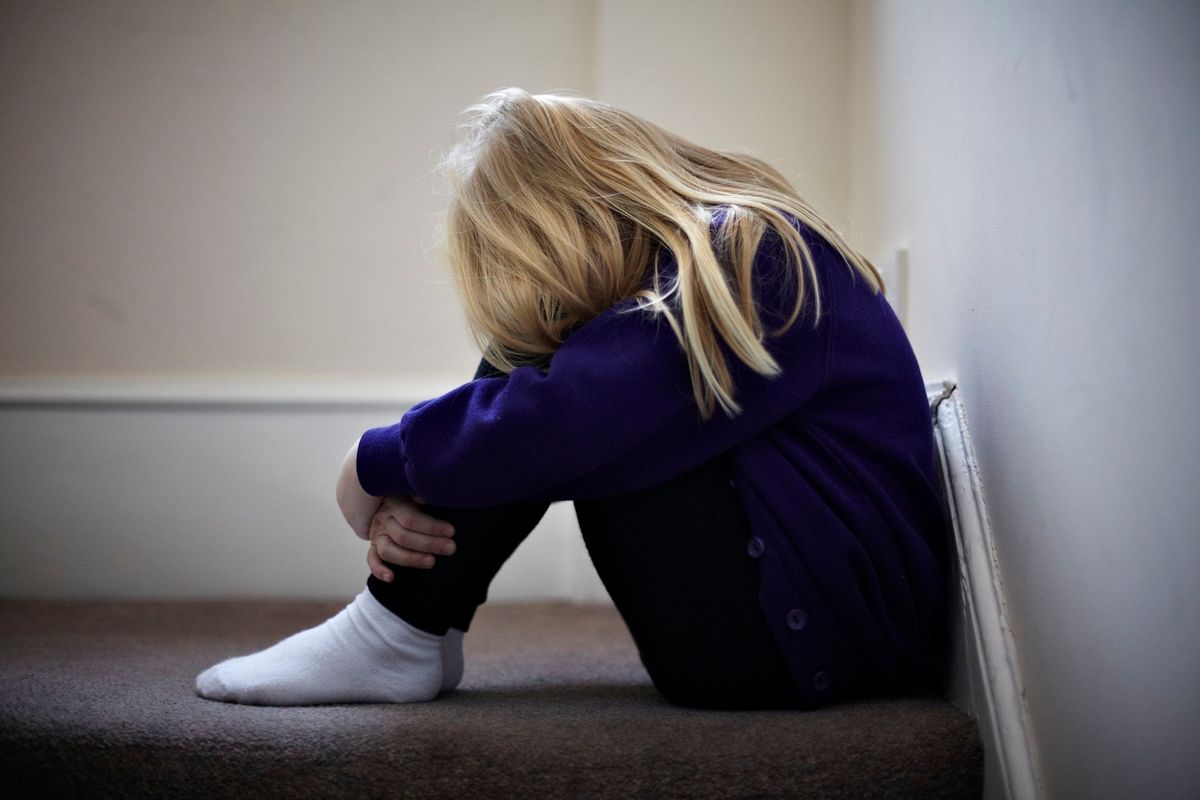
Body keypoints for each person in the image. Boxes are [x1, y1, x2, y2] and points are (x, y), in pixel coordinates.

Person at [195, 88, 947, 711]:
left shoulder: (756, 251)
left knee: (549, 388)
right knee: (539, 373)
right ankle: (410, 628)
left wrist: (375, 461)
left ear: (581, 208)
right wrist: (430, 468)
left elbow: (567, 417)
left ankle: (396, 631)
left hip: (805, 646)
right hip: (794, 631)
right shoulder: (749, 252)